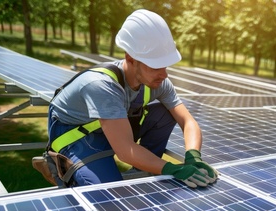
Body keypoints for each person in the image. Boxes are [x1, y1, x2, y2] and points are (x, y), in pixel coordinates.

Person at [47, 9, 217, 188]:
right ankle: (60, 167)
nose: (164, 74)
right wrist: (173, 169)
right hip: (75, 136)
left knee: (165, 112)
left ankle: (144, 168)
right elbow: (125, 151)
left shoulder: (157, 81)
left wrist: (193, 156)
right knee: (106, 193)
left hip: (111, 127)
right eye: (155, 66)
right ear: (130, 58)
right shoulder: (101, 85)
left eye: (165, 65)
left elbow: (187, 121)